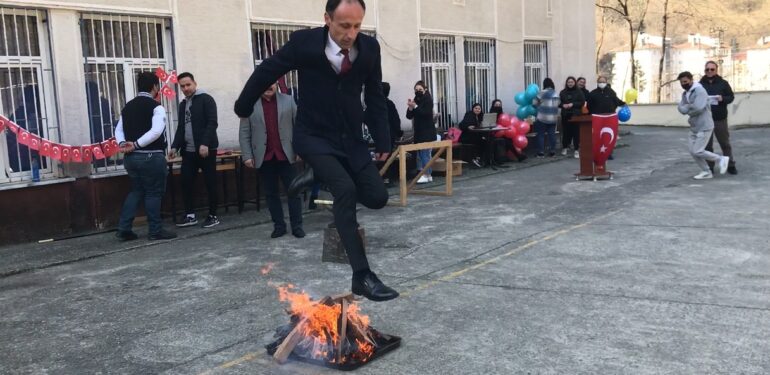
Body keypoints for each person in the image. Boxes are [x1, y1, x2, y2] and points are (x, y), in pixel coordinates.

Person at [233, 0, 398, 302]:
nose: (351, 34)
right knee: (346, 190)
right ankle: (362, 275)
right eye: (344, 26)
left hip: (350, 140)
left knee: (378, 197)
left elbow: (374, 95)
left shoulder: (370, 49)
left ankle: (314, 176)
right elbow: (268, 69)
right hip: (313, 136)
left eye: (357, 26)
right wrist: (243, 106)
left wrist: (384, 141)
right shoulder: (304, 43)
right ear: (327, 19)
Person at [115, 72, 176, 241]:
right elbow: (156, 132)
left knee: (136, 191)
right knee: (153, 193)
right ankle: (155, 230)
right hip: (151, 156)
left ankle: (124, 229)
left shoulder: (128, 106)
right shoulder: (156, 107)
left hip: (131, 159)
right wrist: (136, 144)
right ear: (155, 87)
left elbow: (118, 129)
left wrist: (123, 144)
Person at [240, 83, 305, 238]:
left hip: (287, 155)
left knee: (294, 191)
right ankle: (279, 226)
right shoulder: (249, 104)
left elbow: (299, 126)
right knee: (271, 194)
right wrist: (247, 155)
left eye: (272, 82)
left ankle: (297, 226)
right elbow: (244, 132)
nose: (268, 85)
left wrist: (300, 149)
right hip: (264, 156)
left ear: (276, 84)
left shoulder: (288, 101)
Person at [169, 72, 220, 228]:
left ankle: (213, 215)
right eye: (182, 86)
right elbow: (180, 128)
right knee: (186, 182)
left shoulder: (206, 99)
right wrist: (174, 146)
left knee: (210, 182)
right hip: (189, 152)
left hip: (206, 150)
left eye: (188, 85)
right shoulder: (183, 104)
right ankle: (190, 215)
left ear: (195, 83)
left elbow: (212, 123)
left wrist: (204, 143)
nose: (185, 88)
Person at [676, 71, 730, 180]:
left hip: (705, 125)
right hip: (694, 126)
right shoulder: (685, 93)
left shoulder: (699, 90)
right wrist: (688, 107)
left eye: (685, 81)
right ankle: (706, 171)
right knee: (693, 151)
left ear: (691, 80)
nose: (683, 84)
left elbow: (698, 108)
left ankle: (721, 159)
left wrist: (688, 109)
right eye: (681, 82)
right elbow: (680, 108)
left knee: (698, 150)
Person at [700, 61, 737, 174]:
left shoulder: (723, 83)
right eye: (707, 69)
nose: (710, 71)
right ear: (704, 70)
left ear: (716, 70)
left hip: (720, 119)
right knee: (707, 146)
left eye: (712, 69)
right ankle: (710, 166)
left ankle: (730, 165)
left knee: (725, 143)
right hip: (705, 119)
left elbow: (731, 97)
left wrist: (723, 99)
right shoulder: (700, 85)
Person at [587, 76, 625, 161]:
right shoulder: (592, 93)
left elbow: (616, 101)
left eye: (603, 82)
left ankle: (608, 153)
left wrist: (623, 103)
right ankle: (597, 154)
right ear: (597, 83)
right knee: (597, 136)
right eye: (600, 82)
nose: (602, 83)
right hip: (598, 118)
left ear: (606, 82)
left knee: (608, 136)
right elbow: (589, 106)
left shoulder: (611, 92)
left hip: (609, 118)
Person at [406, 80, 436, 184]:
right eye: (416, 90)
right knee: (421, 154)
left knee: (425, 154)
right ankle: (426, 174)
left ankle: (427, 174)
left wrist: (415, 107)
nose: (418, 91)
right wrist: (410, 108)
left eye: (420, 89)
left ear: (425, 90)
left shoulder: (428, 99)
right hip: (419, 131)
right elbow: (409, 116)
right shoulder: (416, 99)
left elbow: (425, 113)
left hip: (427, 131)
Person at [532, 78, 560, 157]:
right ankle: (552, 151)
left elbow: (534, 103)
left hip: (542, 117)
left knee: (540, 135)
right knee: (552, 134)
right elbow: (558, 104)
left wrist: (539, 106)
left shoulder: (541, 93)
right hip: (553, 118)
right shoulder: (555, 93)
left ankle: (541, 153)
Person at [559, 76, 585, 158]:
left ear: (575, 83)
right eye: (568, 82)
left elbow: (582, 102)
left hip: (576, 115)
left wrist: (573, 104)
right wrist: (563, 105)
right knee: (566, 132)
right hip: (565, 114)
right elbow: (559, 102)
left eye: (571, 82)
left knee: (576, 133)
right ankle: (565, 147)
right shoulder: (562, 92)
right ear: (566, 83)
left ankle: (576, 149)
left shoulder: (579, 92)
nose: (570, 84)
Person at [458, 103, 486, 167]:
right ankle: (476, 159)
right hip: (466, 137)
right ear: (473, 109)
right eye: (476, 108)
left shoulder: (480, 116)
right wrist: (467, 127)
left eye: (479, 109)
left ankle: (481, 159)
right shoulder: (469, 115)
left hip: (475, 135)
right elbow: (461, 125)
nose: (477, 110)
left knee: (485, 140)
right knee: (481, 141)